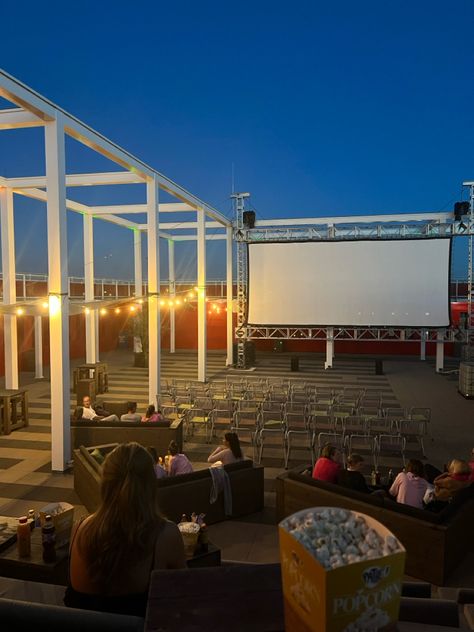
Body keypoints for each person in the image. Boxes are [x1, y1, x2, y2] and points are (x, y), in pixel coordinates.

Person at [65, 442, 186, 616]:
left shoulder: (79, 530)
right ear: (151, 485)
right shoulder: (165, 536)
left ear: (105, 484)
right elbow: (186, 594)